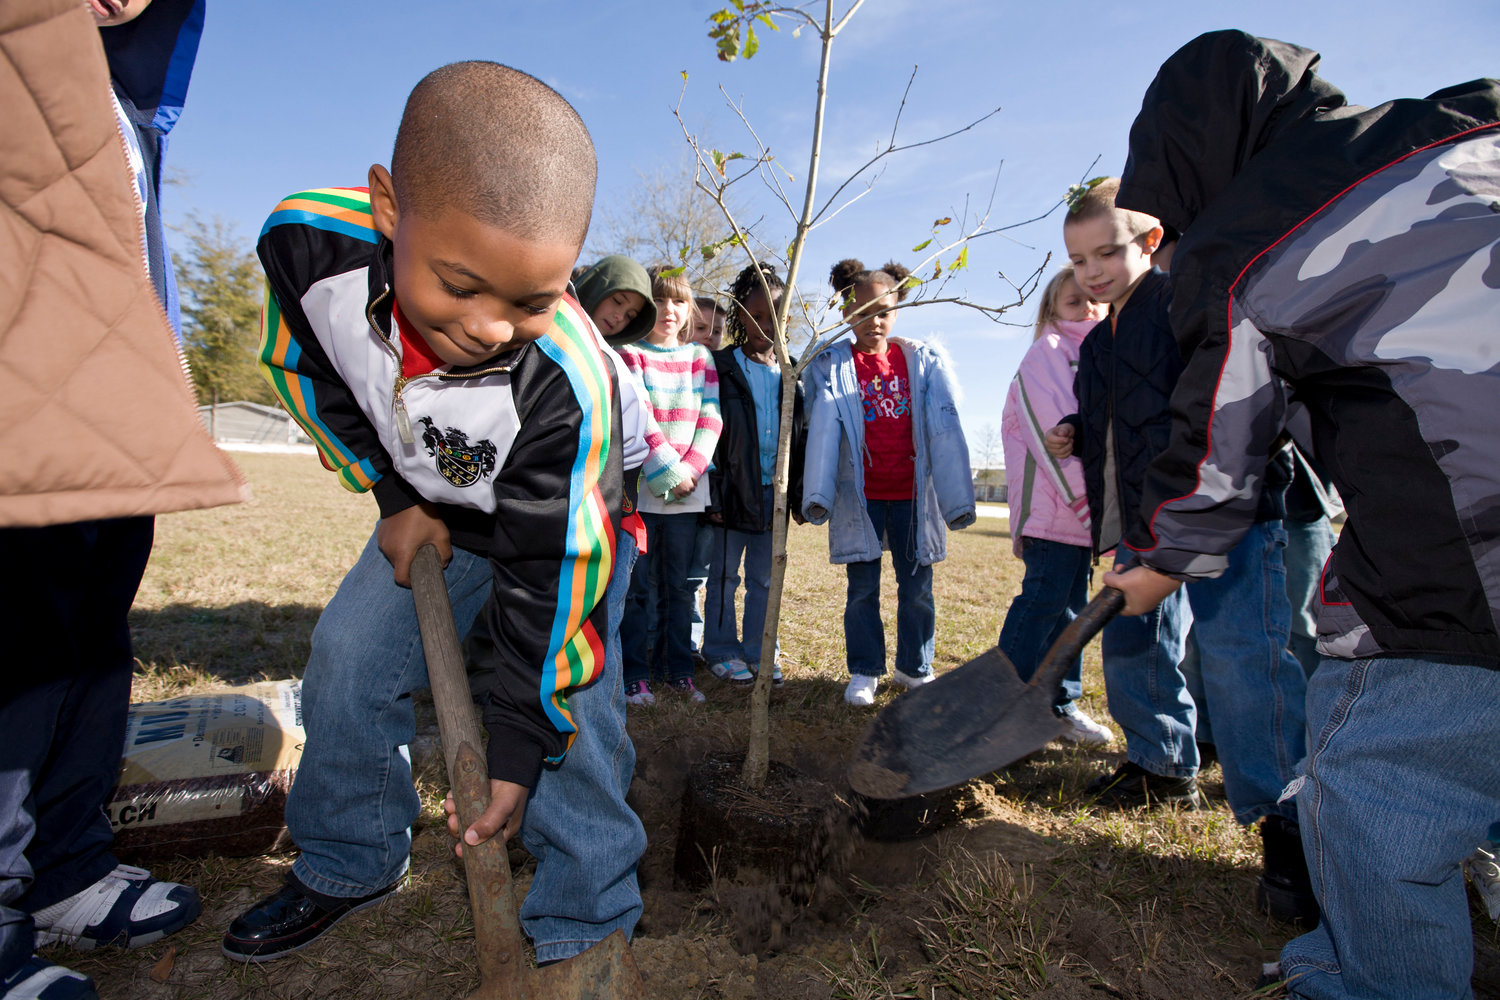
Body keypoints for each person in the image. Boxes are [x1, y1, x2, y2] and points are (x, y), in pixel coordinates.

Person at [221, 62, 646, 966]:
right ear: (387, 206)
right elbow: (309, 371)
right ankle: (348, 860)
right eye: (461, 286)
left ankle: (586, 919)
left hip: (565, 539)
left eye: (531, 300)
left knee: (575, 721)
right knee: (347, 659)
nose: (492, 327)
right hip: (435, 517)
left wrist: (519, 745)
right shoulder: (305, 247)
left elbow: (552, 576)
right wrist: (393, 494)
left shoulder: (567, 380)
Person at [1103, 29, 1500, 998]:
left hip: (1460, 567)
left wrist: (1149, 565)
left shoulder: (1250, 244)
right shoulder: (1472, 117)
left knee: (1376, 780)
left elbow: (1213, 469)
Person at [0, 2, 240, 997]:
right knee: (14, 648)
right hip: (23, 396)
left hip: (104, 398)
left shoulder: (119, 99)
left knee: (91, 637)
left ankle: (66, 867)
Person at [802, 259, 976, 707]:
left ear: (897, 309)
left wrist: (956, 496)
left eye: (882, 310)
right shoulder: (832, 364)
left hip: (913, 498)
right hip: (861, 497)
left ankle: (914, 668)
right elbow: (820, 429)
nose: (872, 321)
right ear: (846, 313)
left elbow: (944, 426)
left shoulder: (920, 361)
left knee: (917, 588)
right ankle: (864, 670)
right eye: (860, 311)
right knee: (862, 590)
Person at [996, 269, 1113, 746]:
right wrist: (1090, 508)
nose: (1086, 309)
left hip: (1082, 519)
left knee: (1072, 613)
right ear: (1050, 311)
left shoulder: (1102, 356)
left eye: (1093, 301)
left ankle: (1059, 705)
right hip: (1054, 512)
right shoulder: (1046, 356)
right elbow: (1054, 444)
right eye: (1073, 302)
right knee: (1042, 604)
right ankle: (1000, 703)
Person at [616, 267, 722, 705]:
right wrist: (670, 472)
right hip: (641, 491)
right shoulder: (629, 354)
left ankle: (677, 670)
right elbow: (638, 417)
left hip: (689, 493)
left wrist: (692, 470)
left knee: (679, 587)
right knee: (637, 588)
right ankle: (635, 674)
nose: (669, 310)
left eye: (678, 301)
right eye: (659, 301)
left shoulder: (700, 357)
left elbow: (711, 418)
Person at [703, 264, 806, 687]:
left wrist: (797, 493)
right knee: (724, 575)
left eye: (776, 318)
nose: (766, 326)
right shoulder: (720, 365)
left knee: (766, 577)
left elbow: (803, 434)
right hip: (730, 492)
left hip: (774, 495)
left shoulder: (793, 372)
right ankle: (721, 650)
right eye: (756, 315)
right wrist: (712, 490)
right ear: (739, 315)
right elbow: (705, 426)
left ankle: (761, 651)